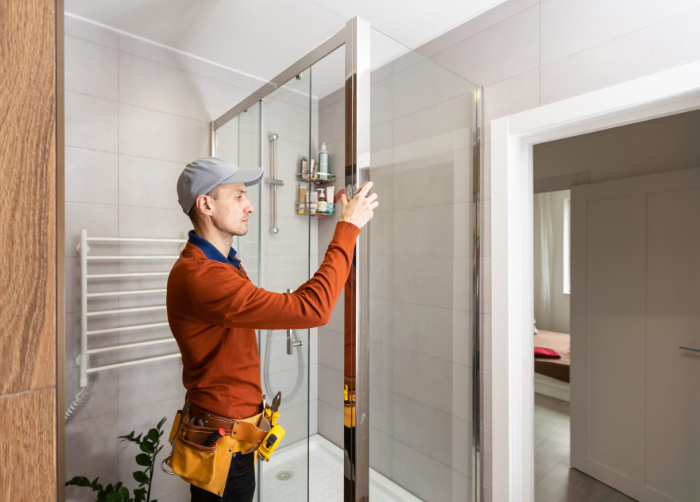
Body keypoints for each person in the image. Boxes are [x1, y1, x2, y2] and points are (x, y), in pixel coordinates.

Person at [166, 157, 377, 502]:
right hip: (224, 445)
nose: (249, 206)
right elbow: (313, 309)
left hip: (229, 435)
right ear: (205, 204)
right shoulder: (202, 277)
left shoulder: (223, 265)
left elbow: (294, 306)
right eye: (237, 196)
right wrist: (348, 229)